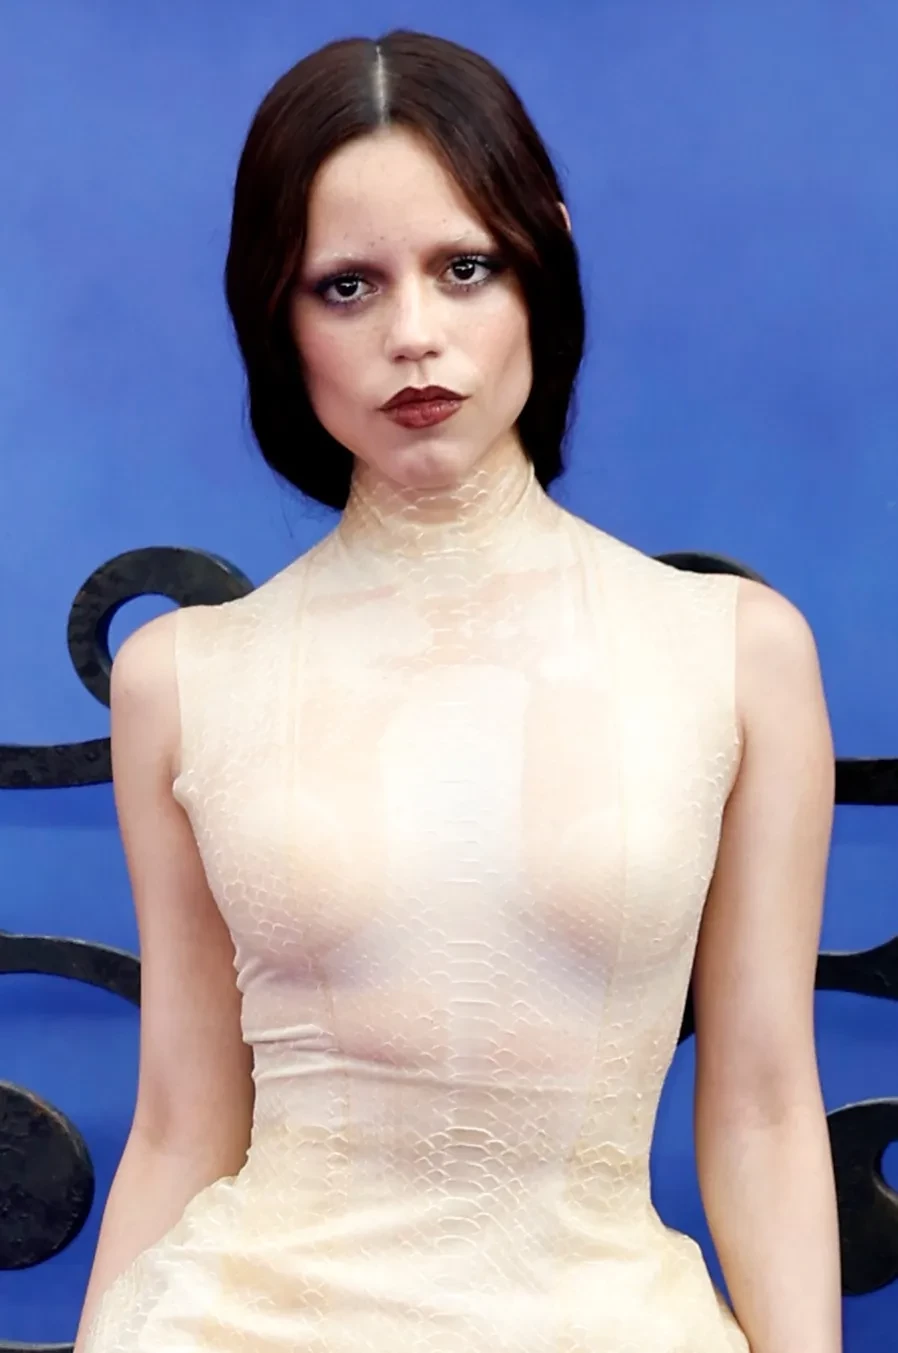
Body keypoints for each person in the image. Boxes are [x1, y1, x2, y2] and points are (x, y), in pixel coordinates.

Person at [74, 28, 842, 1353]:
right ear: (276, 315)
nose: (414, 336)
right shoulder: (181, 678)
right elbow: (183, 1123)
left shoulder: (736, 654)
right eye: (347, 286)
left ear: (542, 266)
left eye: (464, 268)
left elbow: (766, 1107)